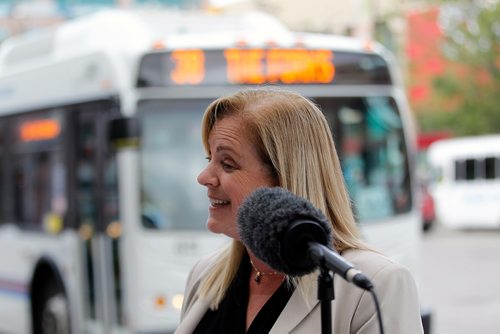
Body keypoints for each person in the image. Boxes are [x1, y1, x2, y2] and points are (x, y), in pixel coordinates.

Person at [175, 87, 424, 334]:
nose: (204, 177)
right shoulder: (205, 274)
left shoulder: (377, 283)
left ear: (287, 179)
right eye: (210, 160)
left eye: (227, 164)